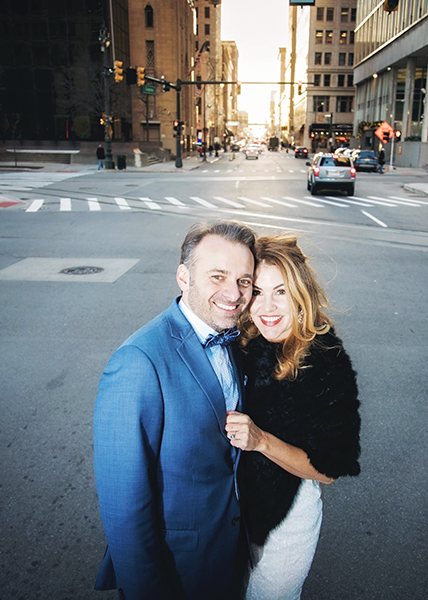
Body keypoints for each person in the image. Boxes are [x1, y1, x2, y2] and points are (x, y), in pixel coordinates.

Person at [93, 221, 257, 600]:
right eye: (217, 276)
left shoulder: (230, 336)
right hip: (175, 572)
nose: (233, 293)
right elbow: (124, 509)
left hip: (228, 554)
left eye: (244, 281)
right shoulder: (138, 362)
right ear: (184, 277)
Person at [225, 235, 361, 600]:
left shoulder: (326, 361)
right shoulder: (248, 341)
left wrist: (262, 441)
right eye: (257, 291)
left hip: (286, 522)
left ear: (300, 295)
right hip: (241, 513)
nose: (267, 305)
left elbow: (329, 471)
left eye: (281, 292)